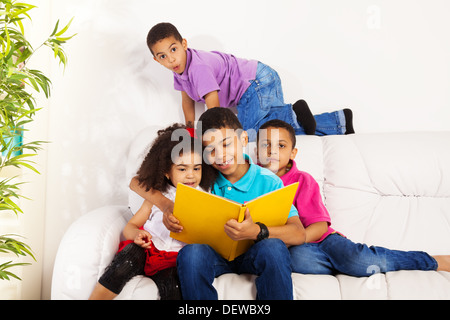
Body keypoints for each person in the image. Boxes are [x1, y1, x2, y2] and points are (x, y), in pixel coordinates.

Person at [131, 108, 306, 300]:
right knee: (191, 253)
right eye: (210, 150)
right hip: (213, 256)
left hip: (254, 254)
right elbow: (136, 182)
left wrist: (256, 231)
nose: (220, 155)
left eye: (226, 144)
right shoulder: (200, 175)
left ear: (244, 140)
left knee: (273, 248)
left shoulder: (269, 181)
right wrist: (166, 206)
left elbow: (298, 233)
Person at [255, 119, 450, 276]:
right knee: (298, 259)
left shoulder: (302, 180)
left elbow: (319, 226)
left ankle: (432, 261)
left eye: (281, 146)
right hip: (290, 251)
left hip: (321, 241)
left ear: (292, 153)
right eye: (266, 145)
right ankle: (344, 266)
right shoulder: (250, 181)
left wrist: (297, 238)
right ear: (257, 151)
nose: (272, 151)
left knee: (359, 261)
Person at [146, 22, 355, 142]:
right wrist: (190, 129)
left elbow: (213, 104)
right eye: (163, 56)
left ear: (184, 44)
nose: (171, 59)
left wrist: (215, 134)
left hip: (256, 83)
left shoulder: (198, 67)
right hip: (257, 84)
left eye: (173, 50)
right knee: (272, 137)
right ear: (156, 60)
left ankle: (290, 114)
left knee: (245, 138)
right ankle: (339, 122)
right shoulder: (178, 71)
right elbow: (187, 101)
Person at [89, 123, 216, 300]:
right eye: (182, 169)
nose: (190, 175)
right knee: (126, 259)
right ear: (166, 172)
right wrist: (136, 234)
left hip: (175, 259)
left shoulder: (205, 197)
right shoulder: (157, 195)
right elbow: (131, 226)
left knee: (174, 287)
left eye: (196, 168)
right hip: (149, 249)